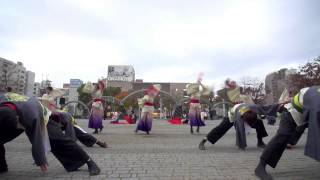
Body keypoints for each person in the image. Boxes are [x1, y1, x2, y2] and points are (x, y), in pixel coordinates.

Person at [0, 92, 101, 176]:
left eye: (18, 124)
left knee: (59, 140)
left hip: (40, 114)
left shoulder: (32, 114)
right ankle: (2, 166)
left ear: (18, 118)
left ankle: (89, 162)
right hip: (12, 113)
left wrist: (40, 159)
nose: (19, 127)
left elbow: (36, 138)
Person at [255, 86, 320, 180]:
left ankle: (291, 142)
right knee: (283, 135)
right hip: (290, 112)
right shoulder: (316, 95)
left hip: (305, 115)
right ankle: (260, 166)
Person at [40, 89, 108, 149]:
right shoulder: (46, 109)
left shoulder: (49, 108)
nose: (53, 101)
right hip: (58, 124)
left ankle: (98, 142)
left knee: (80, 131)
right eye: (52, 101)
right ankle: (98, 142)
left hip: (63, 123)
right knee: (79, 131)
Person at [199, 103, 281, 150]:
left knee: (259, 123)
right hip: (231, 116)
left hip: (246, 112)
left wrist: (278, 105)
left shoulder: (255, 108)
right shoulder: (239, 118)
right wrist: (242, 145)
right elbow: (240, 131)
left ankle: (260, 142)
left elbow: (266, 108)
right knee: (220, 129)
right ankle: (203, 141)